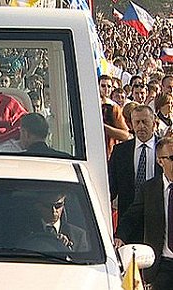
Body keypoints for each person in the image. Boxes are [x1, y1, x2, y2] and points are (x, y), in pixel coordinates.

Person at [115, 137, 173, 290]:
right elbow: (132, 216)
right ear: (160, 161)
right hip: (163, 265)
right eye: (172, 158)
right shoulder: (149, 190)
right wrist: (120, 236)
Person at [109, 105, 163, 243]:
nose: (141, 126)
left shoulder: (166, 150)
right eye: (137, 122)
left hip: (159, 221)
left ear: (154, 123)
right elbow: (110, 189)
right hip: (128, 223)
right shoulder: (120, 152)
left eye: (145, 122)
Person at [99, 75, 129, 159]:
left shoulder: (113, 107)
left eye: (109, 86)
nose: (106, 89)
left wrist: (104, 127)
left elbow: (125, 134)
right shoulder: (89, 104)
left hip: (109, 152)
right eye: (103, 86)